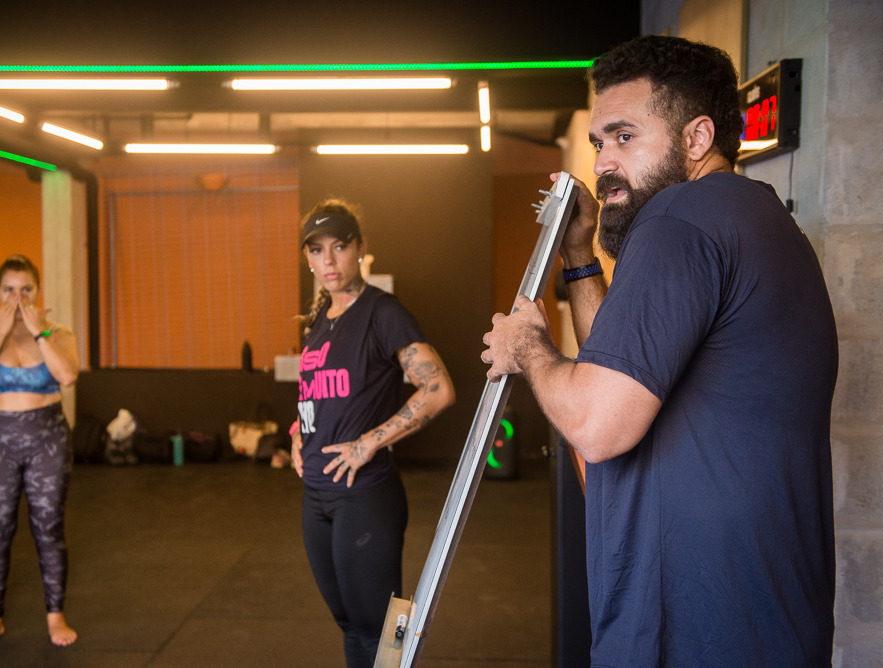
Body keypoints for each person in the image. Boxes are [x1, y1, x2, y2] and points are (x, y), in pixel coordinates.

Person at [482, 36, 837, 667]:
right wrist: (579, 256)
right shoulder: (749, 216)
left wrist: (529, 346)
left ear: (697, 138)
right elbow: (623, 367)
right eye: (599, 144)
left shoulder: (678, 219)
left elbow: (598, 423)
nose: (604, 163)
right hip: (763, 618)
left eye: (624, 137)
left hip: (695, 626)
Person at [291, 200, 455, 667]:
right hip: (317, 495)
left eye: (339, 247)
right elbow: (317, 392)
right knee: (350, 625)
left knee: (385, 628)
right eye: (317, 250)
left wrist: (369, 443)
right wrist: (296, 432)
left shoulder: (382, 312)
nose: (328, 260)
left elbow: (439, 389)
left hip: (365, 495)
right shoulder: (320, 320)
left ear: (360, 248)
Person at [0, 255, 80, 651]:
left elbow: (67, 375)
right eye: (9, 290)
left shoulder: (58, 332)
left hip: (47, 440)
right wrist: (0, 333)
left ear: (37, 292)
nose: (17, 297)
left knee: (49, 530)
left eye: (26, 289)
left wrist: (39, 332)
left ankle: (55, 616)